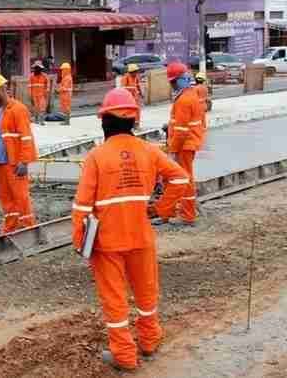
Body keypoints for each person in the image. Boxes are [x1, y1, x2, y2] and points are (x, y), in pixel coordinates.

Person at [72, 88, 189, 371]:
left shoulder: (96, 157)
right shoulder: (149, 151)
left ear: (104, 122)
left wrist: (80, 243)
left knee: (115, 299)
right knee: (147, 292)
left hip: (107, 242)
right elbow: (180, 178)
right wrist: (159, 209)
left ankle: (124, 356)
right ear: (133, 121)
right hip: (141, 236)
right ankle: (149, 341)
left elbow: (82, 207)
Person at [0, 73, 37, 233]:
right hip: (1, 162)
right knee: (5, 197)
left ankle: (29, 229)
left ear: (1, 89)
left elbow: (26, 137)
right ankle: (11, 228)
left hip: (15, 163)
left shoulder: (18, 109)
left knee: (21, 197)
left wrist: (24, 162)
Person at [166, 62, 206, 226]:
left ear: (182, 80)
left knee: (184, 178)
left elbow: (181, 130)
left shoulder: (184, 100)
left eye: (174, 82)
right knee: (186, 177)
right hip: (189, 143)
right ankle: (185, 211)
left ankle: (187, 215)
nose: (172, 85)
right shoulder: (191, 95)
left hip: (184, 145)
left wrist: (172, 150)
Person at [28, 61, 50, 125]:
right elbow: (29, 86)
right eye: (36, 68)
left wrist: (47, 91)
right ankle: (36, 119)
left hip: (42, 94)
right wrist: (30, 95)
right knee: (36, 108)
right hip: (34, 95)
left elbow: (47, 84)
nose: (37, 69)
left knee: (42, 107)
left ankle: (41, 120)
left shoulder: (44, 76)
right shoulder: (31, 76)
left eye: (38, 68)